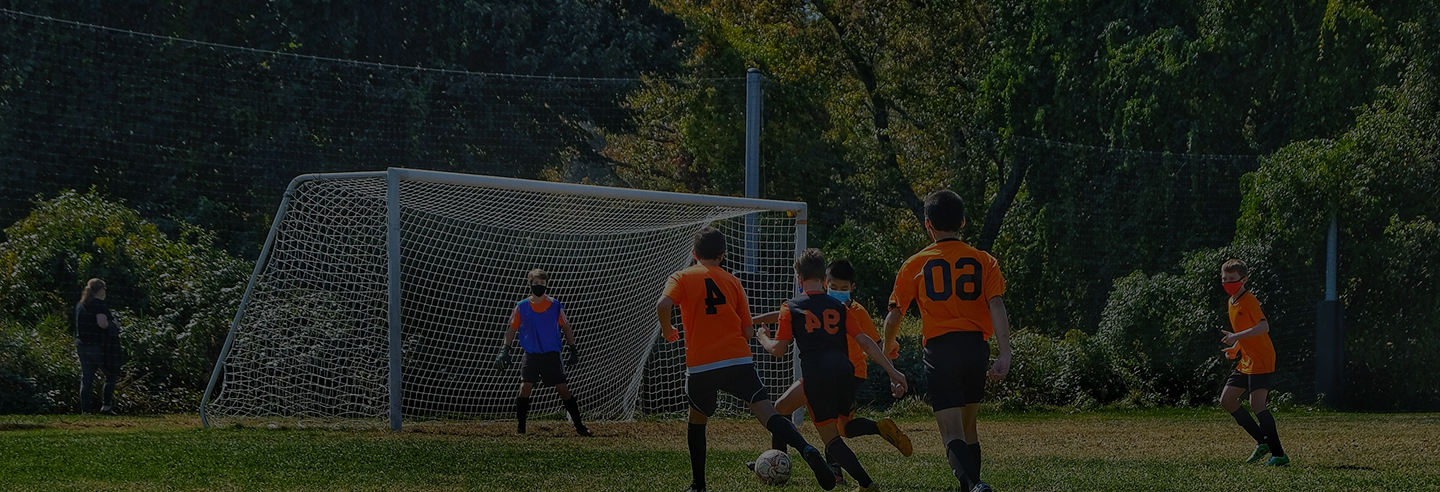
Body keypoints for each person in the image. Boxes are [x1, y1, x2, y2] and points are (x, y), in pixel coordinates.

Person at [656, 226, 836, 492]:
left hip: (702, 364)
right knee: (767, 412)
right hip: (738, 360)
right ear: (722, 255)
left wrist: (667, 329)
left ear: (694, 253)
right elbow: (748, 330)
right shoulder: (732, 281)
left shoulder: (681, 277)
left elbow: (663, 305)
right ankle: (806, 448)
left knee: (697, 420)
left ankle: (698, 485)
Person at [882, 190, 1011, 492]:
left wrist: (887, 347)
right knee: (969, 429)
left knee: (951, 433)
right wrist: (1004, 352)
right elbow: (996, 305)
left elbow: (895, 313)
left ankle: (976, 485)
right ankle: (971, 487)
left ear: (928, 225)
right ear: (963, 222)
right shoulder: (984, 261)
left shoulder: (914, 264)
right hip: (975, 348)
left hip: (941, 351)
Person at [754, 249, 908, 492]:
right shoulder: (839, 307)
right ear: (824, 280)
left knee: (832, 438)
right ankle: (783, 459)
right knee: (840, 427)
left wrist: (762, 337)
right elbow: (866, 342)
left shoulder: (791, 307)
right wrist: (893, 372)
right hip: (845, 373)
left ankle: (866, 484)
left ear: (798, 277)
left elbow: (778, 350)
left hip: (817, 376)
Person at [495, 268, 592, 437]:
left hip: (552, 355)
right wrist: (505, 349)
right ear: (530, 285)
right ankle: (521, 429)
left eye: (542, 283)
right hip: (531, 355)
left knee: (562, 389)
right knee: (524, 387)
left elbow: (566, 327)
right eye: (535, 283)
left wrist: (573, 349)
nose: (539, 285)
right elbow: (511, 329)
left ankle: (580, 426)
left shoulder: (555, 305)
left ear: (546, 284)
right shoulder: (521, 306)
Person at [1218, 259, 1289, 466]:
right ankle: (1262, 441)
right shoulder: (1231, 302)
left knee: (1257, 404)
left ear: (1244, 280)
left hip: (1261, 358)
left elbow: (1263, 327)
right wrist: (1236, 347)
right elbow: (1248, 333)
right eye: (1224, 279)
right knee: (1227, 400)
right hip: (1247, 359)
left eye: (1232, 280)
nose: (1227, 283)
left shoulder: (1249, 300)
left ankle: (1279, 455)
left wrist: (1235, 336)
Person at [74, 278, 122, 415]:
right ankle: (106, 407)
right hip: (97, 346)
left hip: (82, 345)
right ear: (100, 290)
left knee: (87, 378)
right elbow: (102, 323)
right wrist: (114, 325)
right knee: (111, 373)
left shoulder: (80, 305)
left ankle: (85, 410)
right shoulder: (99, 304)